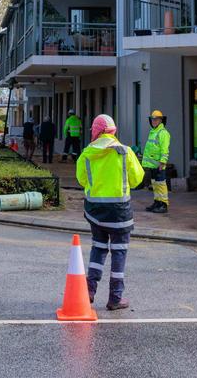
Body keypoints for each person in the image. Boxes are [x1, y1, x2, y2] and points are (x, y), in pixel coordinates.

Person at [76, 114, 144, 311]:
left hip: (95, 211)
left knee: (98, 248)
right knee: (119, 252)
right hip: (119, 213)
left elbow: (81, 179)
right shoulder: (125, 152)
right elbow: (138, 178)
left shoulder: (87, 153)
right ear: (113, 131)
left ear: (96, 132)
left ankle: (89, 291)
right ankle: (115, 297)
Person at [142, 109, 172, 214]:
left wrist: (163, 162)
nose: (154, 121)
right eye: (152, 119)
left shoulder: (163, 133)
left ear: (161, 120)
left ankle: (163, 205)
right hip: (153, 165)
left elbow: (165, 149)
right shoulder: (153, 132)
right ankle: (157, 202)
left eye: (156, 119)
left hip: (159, 165)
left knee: (161, 184)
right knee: (155, 184)